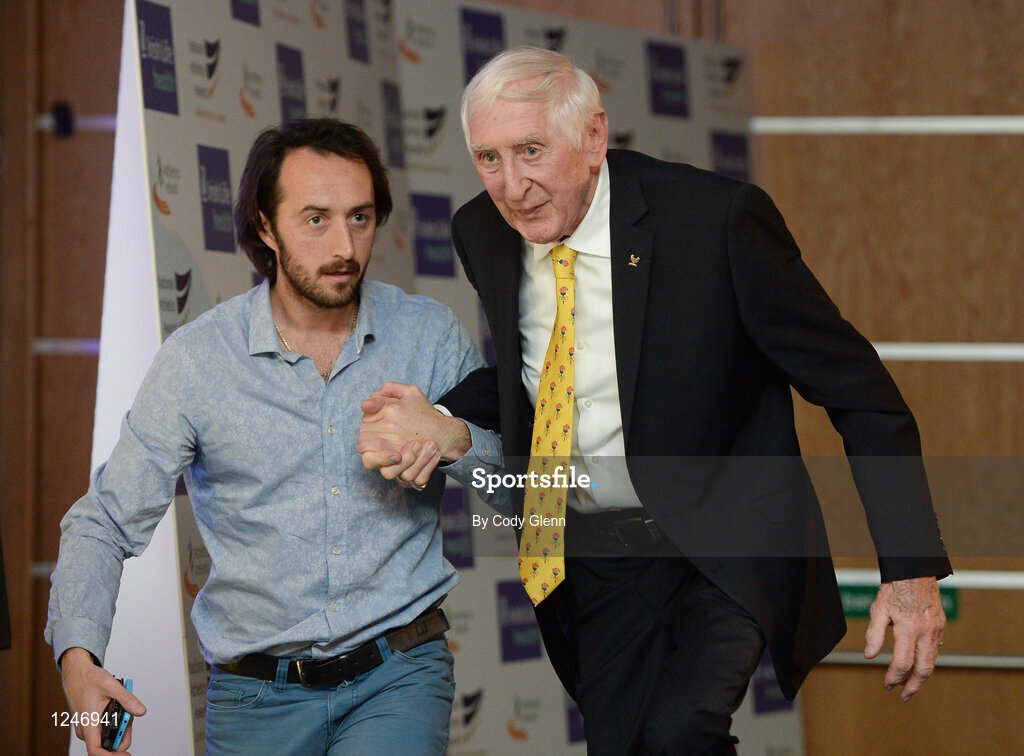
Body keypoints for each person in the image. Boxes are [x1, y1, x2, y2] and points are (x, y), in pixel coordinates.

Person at [358, 47, 951, 755]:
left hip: (728, 534)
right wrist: (447, 420)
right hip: (600, 550)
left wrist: (909, 569)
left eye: (531, 150)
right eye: (488, 158)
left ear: (594, 138)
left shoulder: (717, 221)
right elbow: (542, 373)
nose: (512, 186)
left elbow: (861, 392)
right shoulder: (482, 231)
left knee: (678, 733)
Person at [45, 118, 501, 756]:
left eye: (360, 218)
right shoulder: (199, 360)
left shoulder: (428, 336)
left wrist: (455, 438)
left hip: (399, 675)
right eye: (316, 219)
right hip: (254, 696)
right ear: (265, 225)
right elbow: (104, 522)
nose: (344, 245)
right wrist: (78, 657)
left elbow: (528, 490)